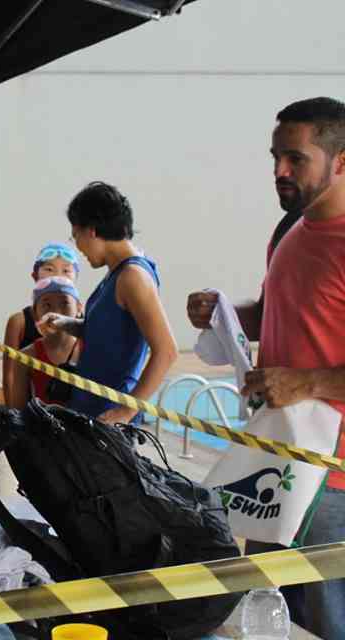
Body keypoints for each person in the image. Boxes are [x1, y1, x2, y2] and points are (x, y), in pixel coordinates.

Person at [187, 97, 345, 640]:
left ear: (341, 160)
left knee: (327, 624)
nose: (279, 170)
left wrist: (308, 382)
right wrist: (224, 314)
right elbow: (274, 312)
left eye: (295, 159)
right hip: (275, 463)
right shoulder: (289, 232)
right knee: (268, 617)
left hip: (333, 480)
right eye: (275, 156)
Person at [39, 182, 178, 424]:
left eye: (76, 235)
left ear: (91, 231)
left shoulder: (133, 277)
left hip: (110, 419)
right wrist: (65, 323)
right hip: (91, 411)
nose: (78, 246)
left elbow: (166, 351)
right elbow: (107, 333)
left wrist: (126, 411)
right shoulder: (116, 273)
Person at [2, 243, 80, 406]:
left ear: (79, 308)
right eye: (49, 269)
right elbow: (10, 377)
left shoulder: (86, 336)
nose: (57, 274)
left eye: (66, 270)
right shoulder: (19, 324)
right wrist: (12, 414)